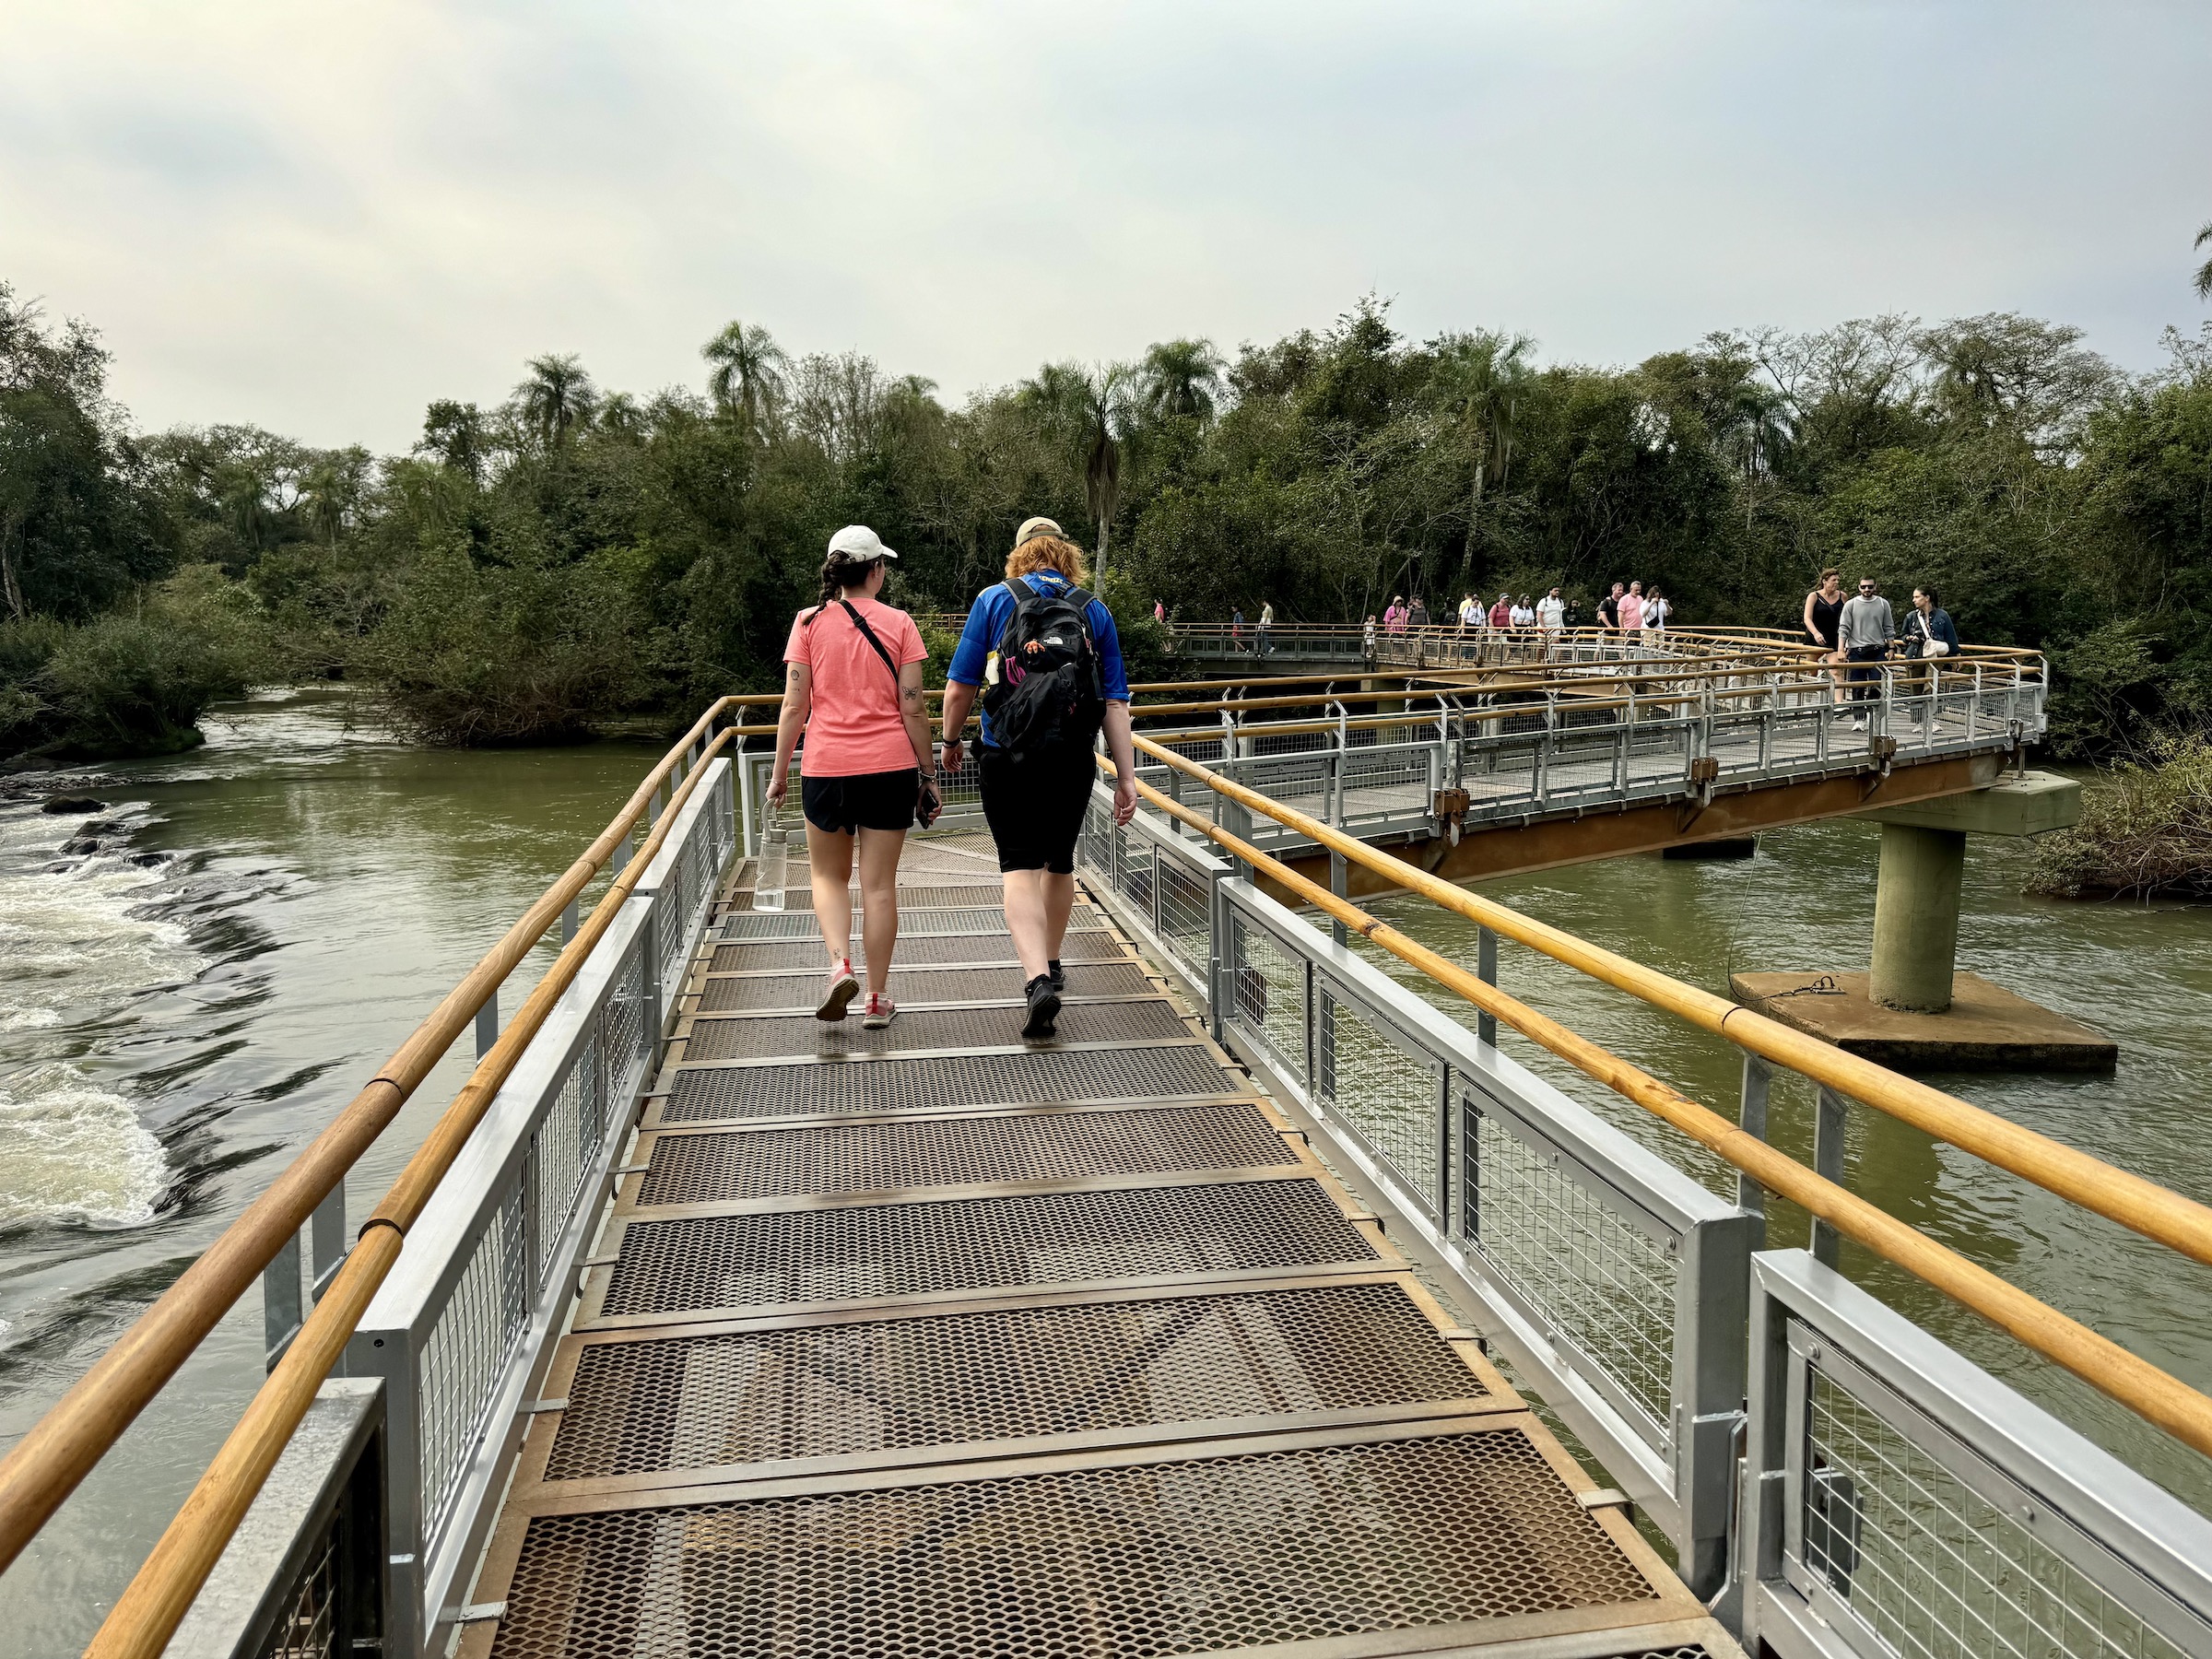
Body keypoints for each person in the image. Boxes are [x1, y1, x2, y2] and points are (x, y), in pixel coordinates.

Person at [941, 517, 1139, 1039]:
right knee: (1059, 862)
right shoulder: (1093, 609)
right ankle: (1052, 963)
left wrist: (950, 739)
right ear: (1065, 555)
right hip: (1072, 755)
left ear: (1020, 555)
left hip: (1006, 752)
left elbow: (961, 685)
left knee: (1018, 865)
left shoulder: (993, 599)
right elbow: (1115, 701)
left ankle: (1035, 982)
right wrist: (1126, 778)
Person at [767, 525, 937, 1029]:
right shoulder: (901, 623)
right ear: (875, 570)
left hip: (826, 768)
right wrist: (927, 774)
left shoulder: (808, 622)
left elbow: (795, 706)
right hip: (888, 767)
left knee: (827, 876)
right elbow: (913, 709)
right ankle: (877, 1001)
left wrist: (780, 774)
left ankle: (839, 964)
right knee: (879, 886)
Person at [1838, 575, 1895, 728]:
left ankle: (1871, 711)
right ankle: (1859, 719)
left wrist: (1891, 647)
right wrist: (1841, 649)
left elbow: (1888, 627)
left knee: (1878, 684)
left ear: (1875, 587)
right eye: (1863, 587)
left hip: (1877, 649)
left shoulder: (1883, 604)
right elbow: (1844, 628)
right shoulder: (1851, 604)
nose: (1867, 590)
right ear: (1859, 587)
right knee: (1857, 686)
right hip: (1857, 650)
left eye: (1870, 586)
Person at [1902, 585, 1960, 719]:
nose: (1914, 600)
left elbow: (1951, 637)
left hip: (1935, 654)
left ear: (1927, 598)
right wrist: (1909, 638)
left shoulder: (1942, 615)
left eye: (1917, 597)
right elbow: (1903, 635)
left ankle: (1931, 719)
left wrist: (1956, 656)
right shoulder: (1911, 616)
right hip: (1915, 654)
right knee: (1915, 688)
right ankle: (1917, 720)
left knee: (1931, 686)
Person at [1802, 568, 1846, 704]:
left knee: (1836, 670)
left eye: (1838, 580)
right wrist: (1815, 633)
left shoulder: (1842, 596)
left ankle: (1839, 702)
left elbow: (1847, 618)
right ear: (1824, 581)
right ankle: (1809, 698)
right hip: (1815, 637)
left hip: (1834, 638)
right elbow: (1807, 618)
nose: (1836, 583)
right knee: (1812, 671)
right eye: (1833, 580)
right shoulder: (1814, 596)